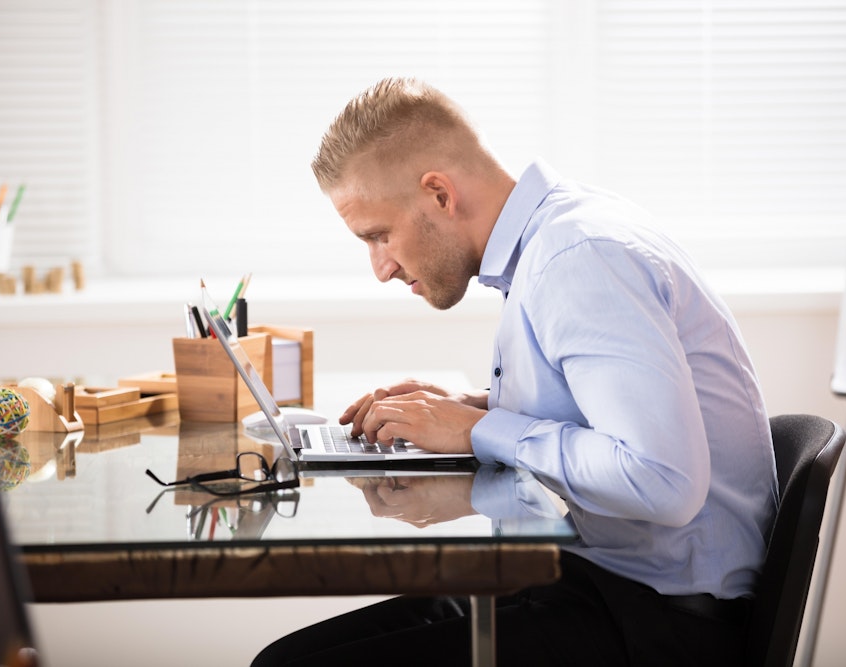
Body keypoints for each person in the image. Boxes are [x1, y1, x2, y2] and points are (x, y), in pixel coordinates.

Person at [252, 77, 777, 666]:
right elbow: (599, 408)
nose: (381, 267)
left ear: (439, 194)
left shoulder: (577, 257)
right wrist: (471, 409)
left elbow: (664, 481)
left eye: (379, 235)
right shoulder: (558, 237)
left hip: (660, 621)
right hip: (604, 583)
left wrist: (478, 431)